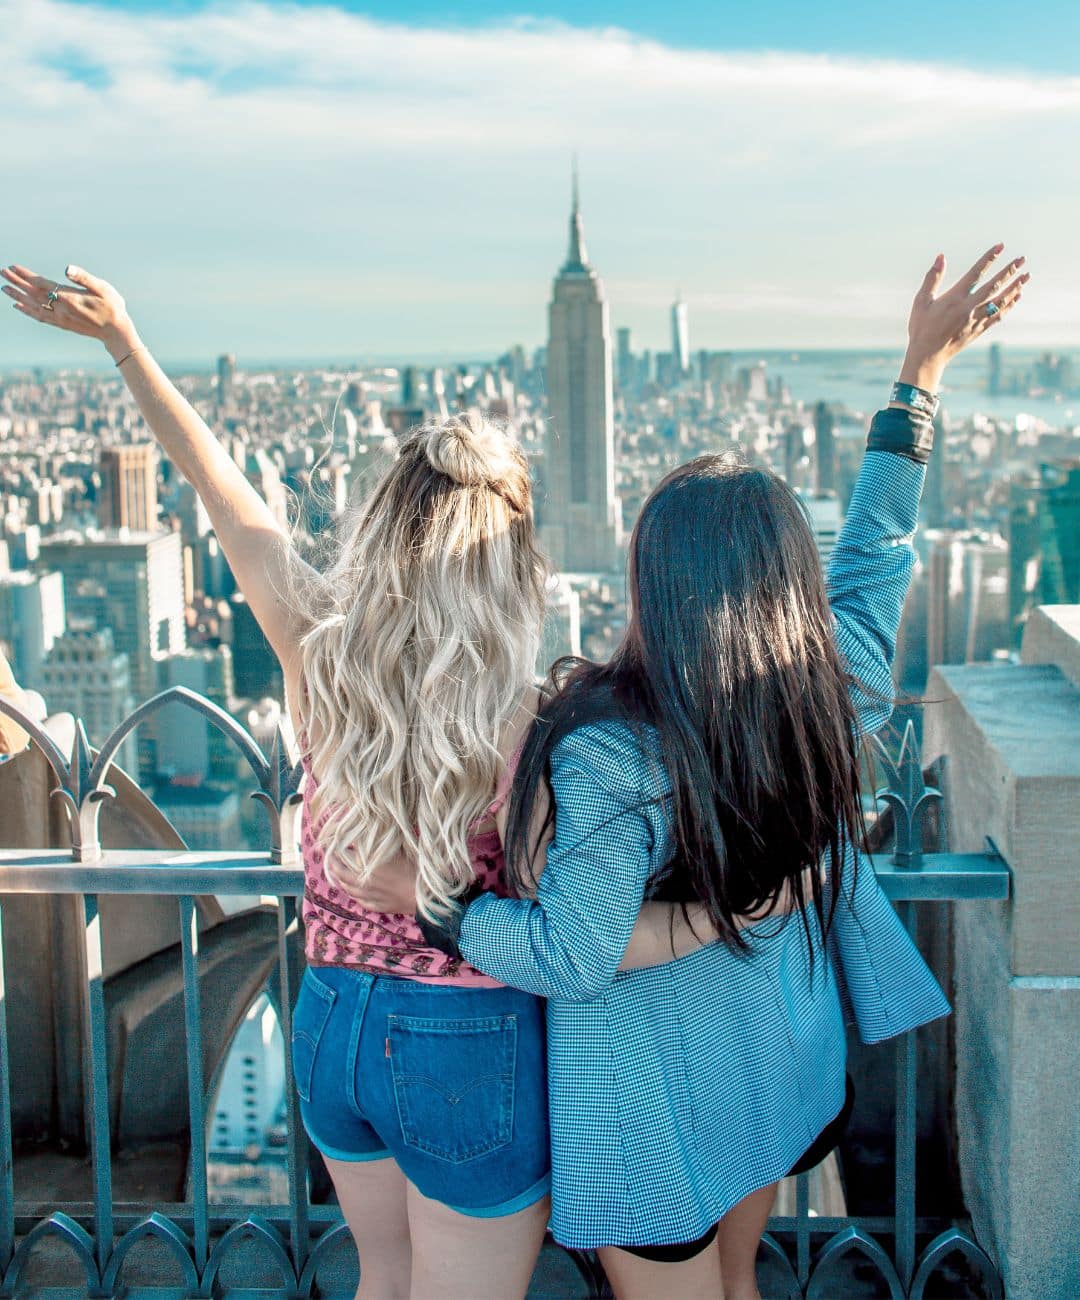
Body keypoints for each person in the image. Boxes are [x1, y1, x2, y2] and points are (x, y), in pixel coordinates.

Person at [0, 259, 706, 1300]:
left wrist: (125, 344)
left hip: (330, 1020)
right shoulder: (540, 722)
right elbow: (577, 935)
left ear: (387, 530)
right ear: (507, 555)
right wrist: (717, 917)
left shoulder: (320, 657)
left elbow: (228, 501)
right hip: (466, 1037)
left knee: (381, 1277)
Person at [362, 245, 1029, 1300]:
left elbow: (572, 956)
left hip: (656, 1113)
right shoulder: (834, 685)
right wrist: (920, 374)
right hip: (779, 1072)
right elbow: (877, 548)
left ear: (650, 583)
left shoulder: (606, 747)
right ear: (782, 581)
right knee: (739, 1282)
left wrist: (442, 914)